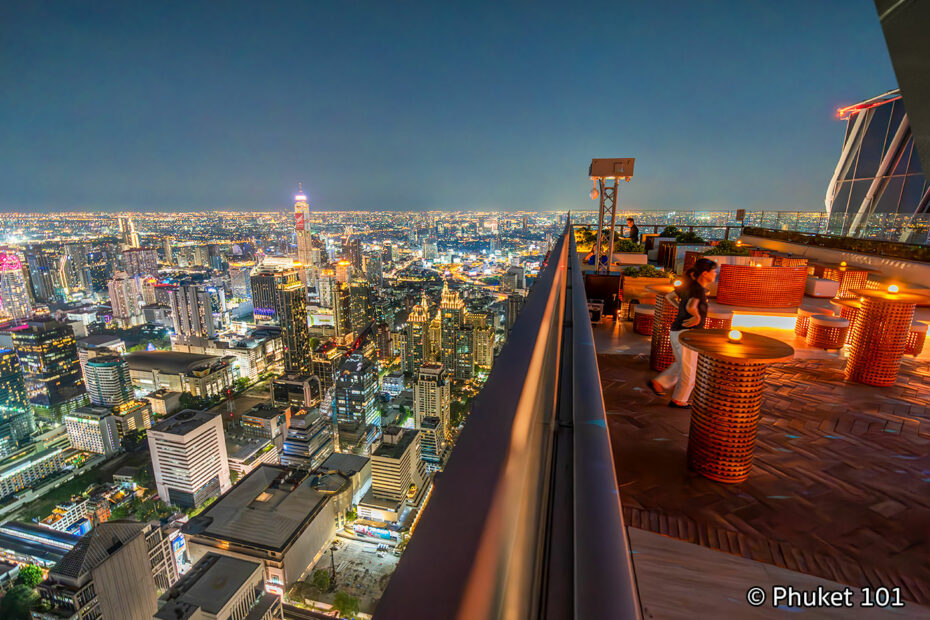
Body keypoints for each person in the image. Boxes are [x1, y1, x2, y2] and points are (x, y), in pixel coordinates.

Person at [649, 258, 717, 407]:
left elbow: (669, 296)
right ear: (705, 273)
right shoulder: (698, 289)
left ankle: (658, 383)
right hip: (687, 334)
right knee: (690, 370)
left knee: (682, 364)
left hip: (677, 331)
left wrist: (679, 308)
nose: (715, 274)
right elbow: (691, 306)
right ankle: (679, 400)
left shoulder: (689, 286)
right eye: (714, 271)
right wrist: (696, 315)